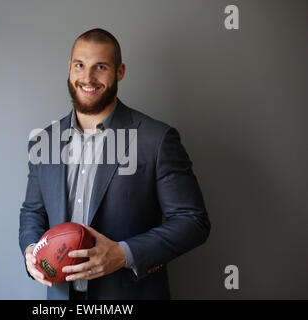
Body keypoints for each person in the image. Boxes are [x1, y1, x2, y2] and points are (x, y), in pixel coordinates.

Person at [19, 28, 211, 300]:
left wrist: (123, 254)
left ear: (119, 72)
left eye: (100, 67)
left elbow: (193, 222)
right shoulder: (43, 141)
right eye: (80, 65)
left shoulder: (156, 139)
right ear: (70, 69)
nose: (87, 78)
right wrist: (30, 251)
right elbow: (32, 212)